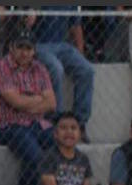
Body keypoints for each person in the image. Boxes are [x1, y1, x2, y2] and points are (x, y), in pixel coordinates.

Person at [0, 26, 56, 185]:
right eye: (20, 47)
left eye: (28, 48)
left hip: (37, 123)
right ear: (11, 48)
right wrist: (37, 99)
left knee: (60, 146)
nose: (24, 52)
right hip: (8, 125)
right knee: (35, 156)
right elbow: (14, 102)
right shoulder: (0, 68)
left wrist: (26, 101)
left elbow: (52, 103)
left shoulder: (40, 68)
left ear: (34, 50)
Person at [33, 5, 95, 140]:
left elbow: (75, 27)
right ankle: (57, 120)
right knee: (56, 68)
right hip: (38, 44)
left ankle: (79, 122)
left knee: (87, 70)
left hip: (61, 45)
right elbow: (25, 24)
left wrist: (80, 54)